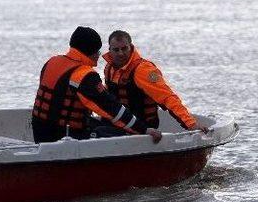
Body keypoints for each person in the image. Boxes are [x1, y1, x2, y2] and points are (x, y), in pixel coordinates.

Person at [32, 26, 162, 144]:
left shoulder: (52, 62)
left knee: (101, 125)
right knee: (123, 133)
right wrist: (144, 130)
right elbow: (111, 108)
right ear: (91, 52)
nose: (99, 55)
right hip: (63, 137)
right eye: (98, 51)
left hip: (39, 132)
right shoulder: (84, 75)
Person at [103, 30, 208, 133]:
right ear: (110, 50)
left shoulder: (143, 70)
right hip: (118, 124)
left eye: (124, 48)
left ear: (131, 47)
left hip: (142, 129)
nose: (121, 53)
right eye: (116, 50)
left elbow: (167, 97)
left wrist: (191, 124)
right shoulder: (109, 68)